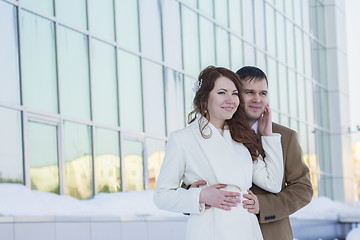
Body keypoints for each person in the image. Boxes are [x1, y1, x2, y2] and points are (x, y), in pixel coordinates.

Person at [153, 66, 284, 240]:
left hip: (247, 230)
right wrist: (199, 195)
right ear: (205, 97)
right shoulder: (182, 139)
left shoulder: (242, 137)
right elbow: (162, 195)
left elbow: (273, 183)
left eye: (235, 93)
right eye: (222, 93)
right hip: (210, 229)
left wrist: (268, 136)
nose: (231, 100)